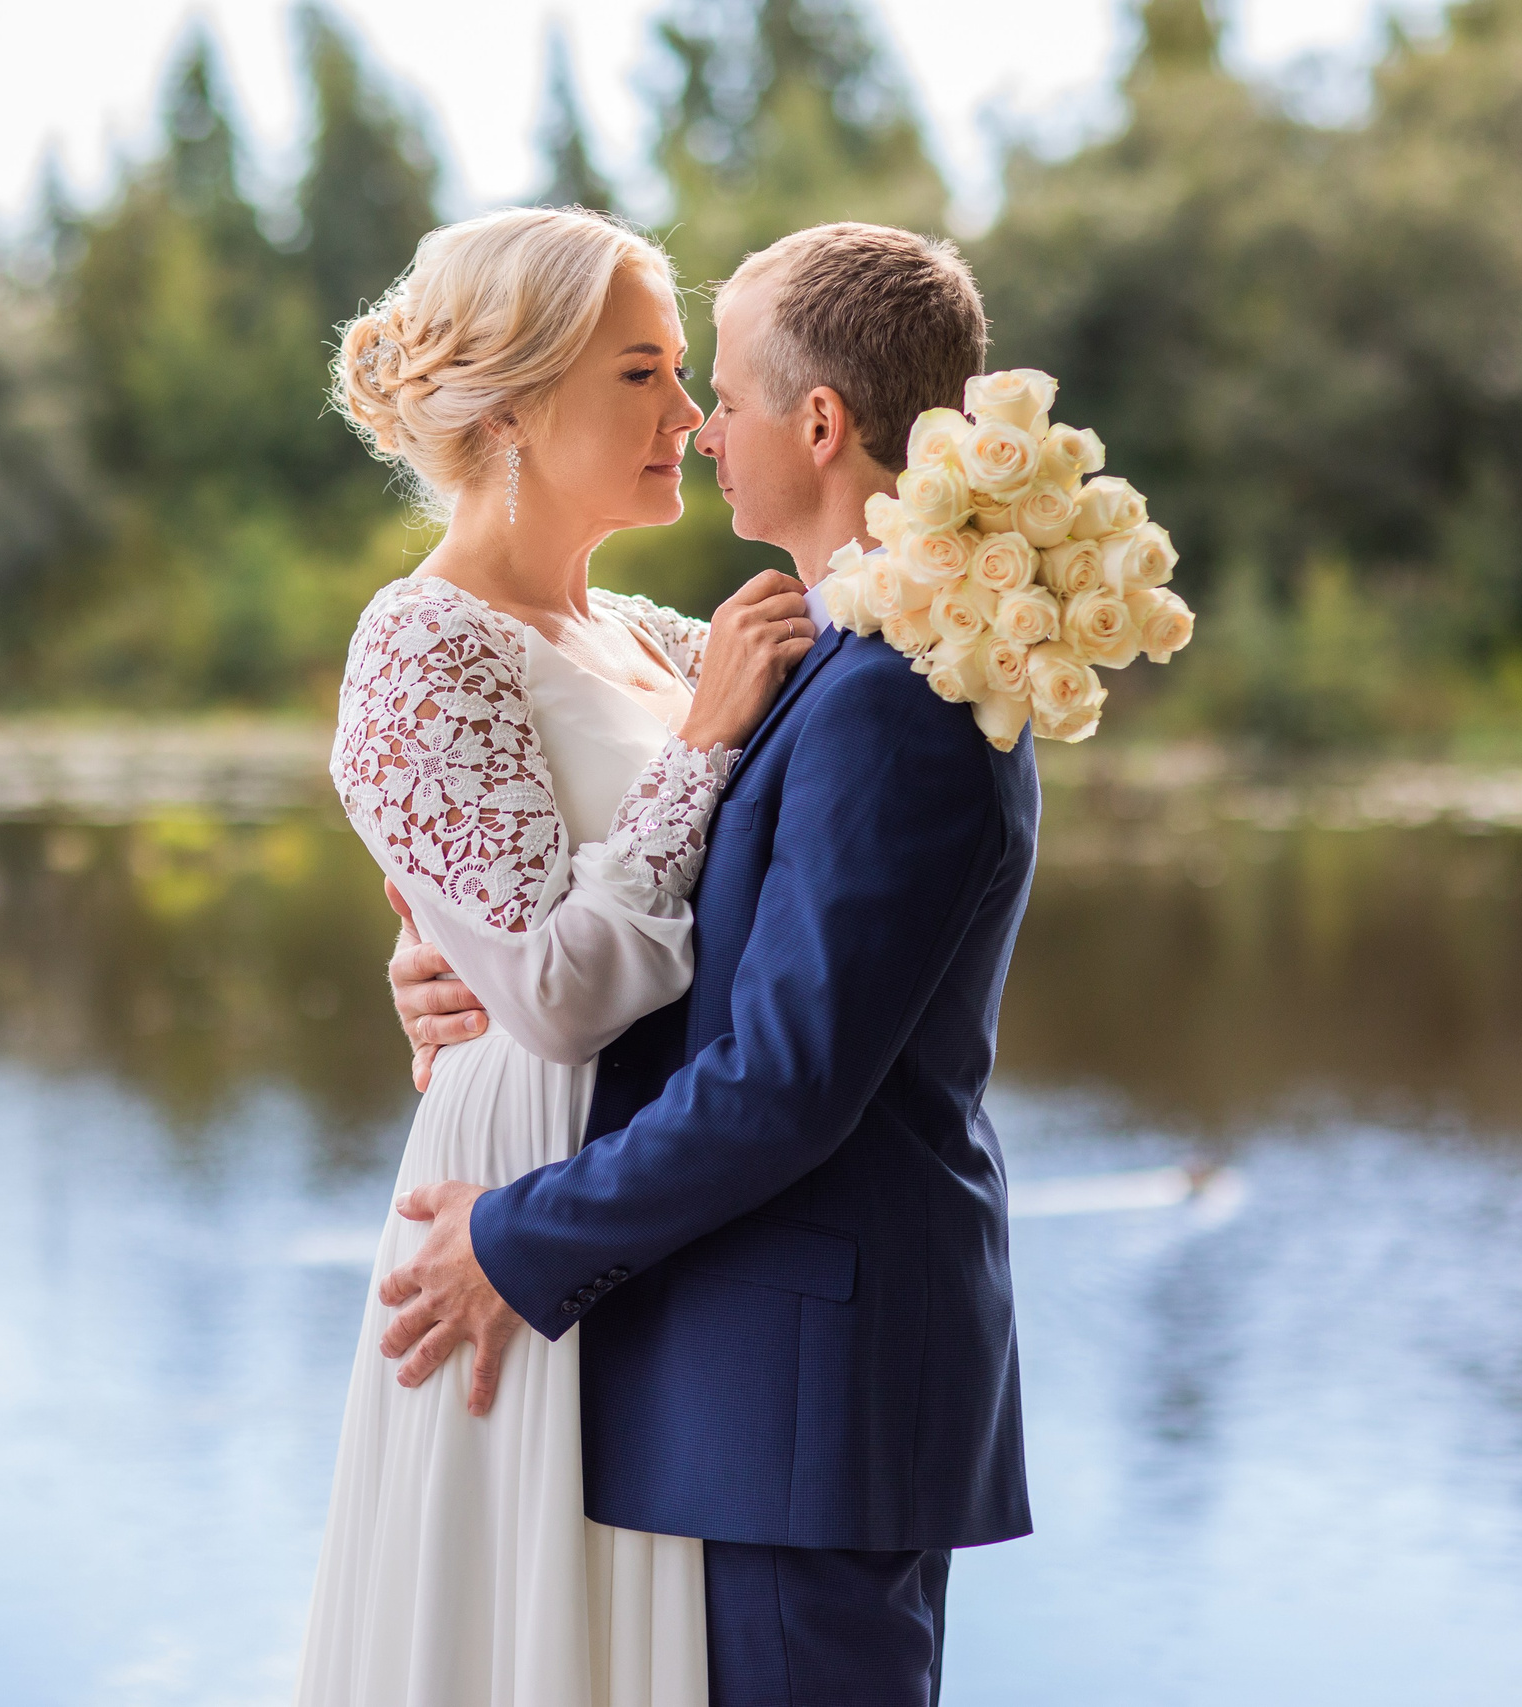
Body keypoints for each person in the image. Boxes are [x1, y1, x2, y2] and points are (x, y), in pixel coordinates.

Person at [380, 222, 1038, 1707]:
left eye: (718, 387)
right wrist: (436, 946)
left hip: (799, 1389)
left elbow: (784, 1083)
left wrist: (514, 1241)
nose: (698, 420)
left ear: (820, 424)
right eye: (661, 379)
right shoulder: (808, 652)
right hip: (742, 1374)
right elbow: (550, 859)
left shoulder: (886, 688)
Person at [295, 206, 813, 1707]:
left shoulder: (654, 636)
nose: (693, 415)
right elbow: (557, 991)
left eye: (680, 372)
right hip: (513, 1188)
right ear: (514, 408)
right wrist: (705, 745)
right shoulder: (419, 642)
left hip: (648, 1182)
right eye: (644, 374)